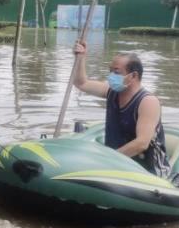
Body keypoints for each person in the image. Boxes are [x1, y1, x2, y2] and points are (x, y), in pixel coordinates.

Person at [72, 40, 171, 177]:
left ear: (134, 76)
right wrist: (80, 57)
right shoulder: (111, 91)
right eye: (110, 71)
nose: (111, 76)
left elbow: (141, 143)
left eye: (116, 72)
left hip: (146, 168)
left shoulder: (148, 102)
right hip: (116, 162)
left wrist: (108, 159)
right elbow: (81, 83)